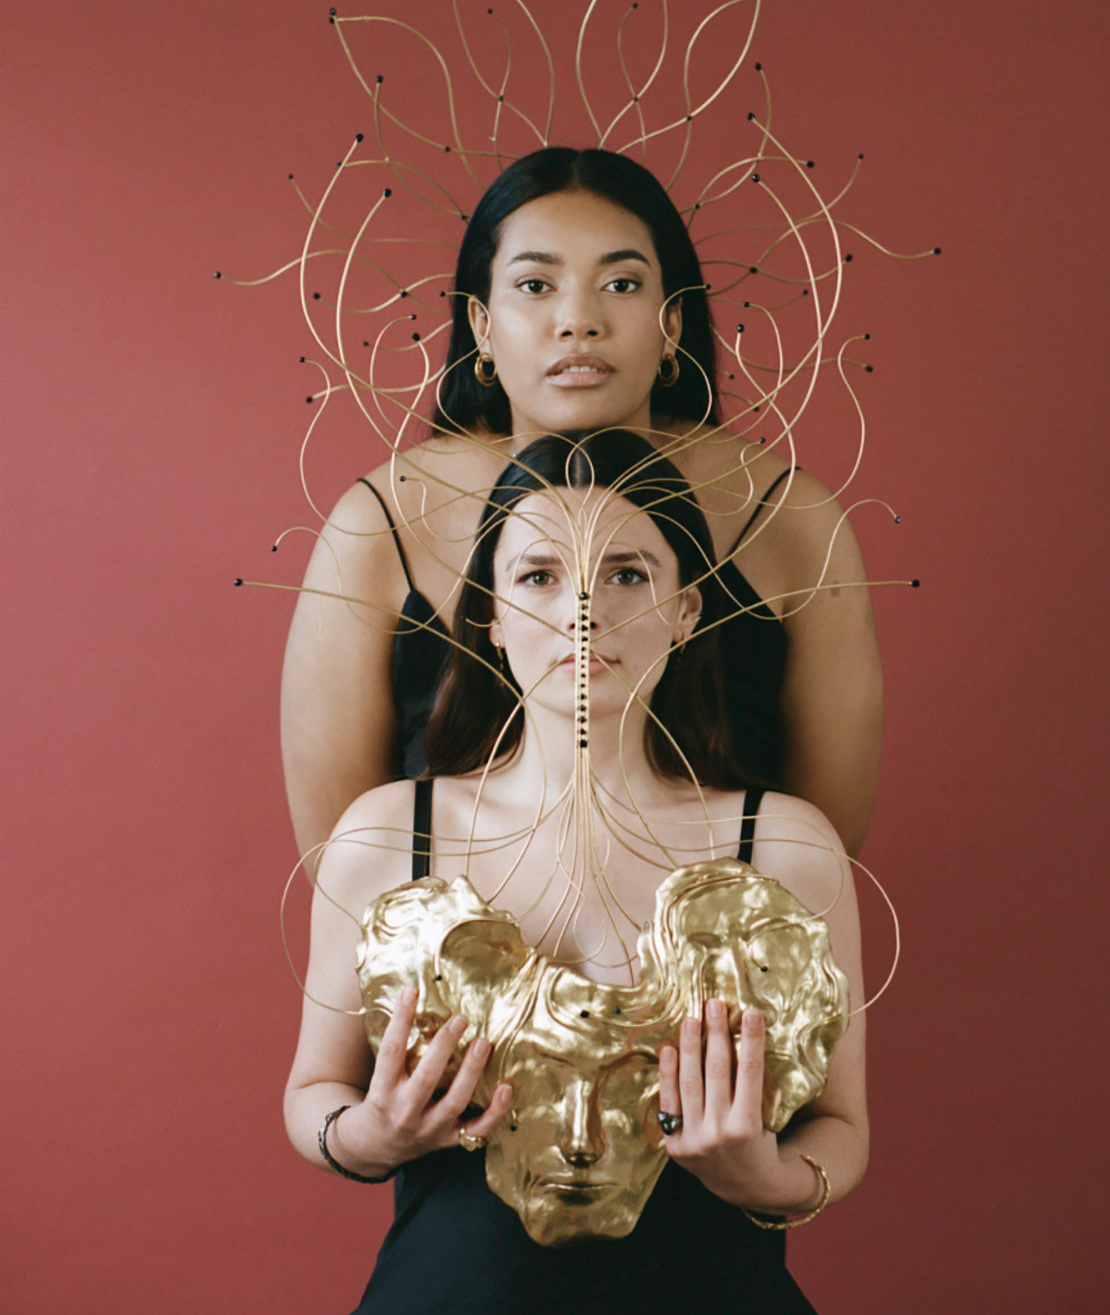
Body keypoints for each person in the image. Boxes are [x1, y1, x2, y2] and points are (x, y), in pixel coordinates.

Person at [283, 432, 867, 1313]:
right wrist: (367, 1136)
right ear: (490, 614)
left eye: (628, 573)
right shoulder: (389, 834)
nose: (582, 611)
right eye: (540, 576)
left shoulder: (781, 845)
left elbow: (843, 1127)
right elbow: (310, 1092)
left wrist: (768, 1181)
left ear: (686, 610)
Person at [280, 148, 884, 871]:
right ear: (479, 323)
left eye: (621, 284)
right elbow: (341, 856)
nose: (578, 321)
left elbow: (826, 837)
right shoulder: (380, 523)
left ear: (671, 322)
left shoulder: (789, 516)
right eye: (535, 284)